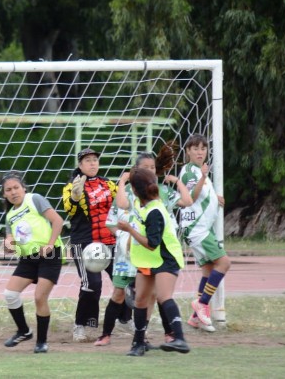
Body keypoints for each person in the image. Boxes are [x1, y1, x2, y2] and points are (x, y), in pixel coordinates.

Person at [95, 147, 194, 347]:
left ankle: (172, 336)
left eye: (152, 168)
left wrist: (177, 181)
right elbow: (121, 209)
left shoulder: (158, 199)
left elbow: (152, 241)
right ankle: (130, 339)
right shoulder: (135, 197)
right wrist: (125, 236)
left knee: (159, 296)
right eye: (145, 168)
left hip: (157, 253)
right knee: (132, 296)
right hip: (137, 254)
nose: (150, 171)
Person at [117, 167, 190, 356]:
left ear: (134, 189)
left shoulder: (155, 211)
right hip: (149, 260)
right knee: (140, 300)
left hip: (165, 258)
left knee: (163, 296)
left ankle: (180, 339)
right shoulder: (142, 204)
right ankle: (138, 344)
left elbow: (152, 244)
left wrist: (129, 230)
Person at [0, 171, 64, 354]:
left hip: (49, 256)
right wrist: (8, 245)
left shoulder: (34, 199)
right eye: (8, 190)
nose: (13, 192)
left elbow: (58, 221)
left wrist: (50, 244)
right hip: (28, 259)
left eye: (16, 188)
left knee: (39, 297)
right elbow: (10, 242)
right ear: (4, 194)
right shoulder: (10, 216)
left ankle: (42, 342)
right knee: (10, 294)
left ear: (23, 188)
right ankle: (23, 331)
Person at [62, 148, 119, 342]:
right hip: (85, 242)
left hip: (110, 241)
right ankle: (81, 324)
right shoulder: (72, 185)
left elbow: (121, 205)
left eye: (95, 160)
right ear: (80, 165)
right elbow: (68, 208)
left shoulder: (109, 184)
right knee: (92, 284)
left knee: (124, 280)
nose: (93, 163)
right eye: (88, 160)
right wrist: (75, 197)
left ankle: (126, 318)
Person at [179, 134, 230, 330]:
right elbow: (192, 196)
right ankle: (201, 304)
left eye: (203, 148)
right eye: (195, 149)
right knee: (224, 263)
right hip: (197, 229)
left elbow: (203, 197)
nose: (200, 152)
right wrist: (203, 177)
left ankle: (195, 317)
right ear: (188, 152)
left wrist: (216, 198)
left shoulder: (200, 172)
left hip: (199, 228)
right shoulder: (191, 172)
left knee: (208, 270)